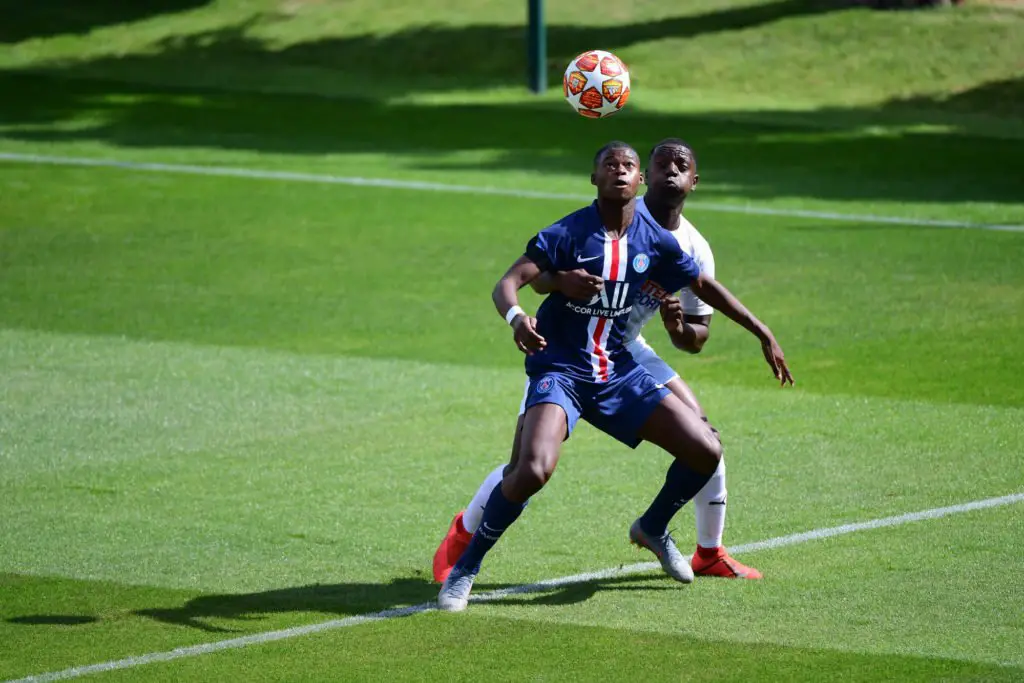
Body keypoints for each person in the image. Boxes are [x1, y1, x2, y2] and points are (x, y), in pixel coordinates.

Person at [437, 141, 793, 612]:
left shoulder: (658, 241)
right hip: (561, 368)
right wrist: (519, 318)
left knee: (706, 449)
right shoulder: (569, 231)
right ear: (595, 178)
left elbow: (703, 287)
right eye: (610, 165)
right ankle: (465, 569)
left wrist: (762, 331)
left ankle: (654, 526)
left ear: (637, 179)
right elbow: (510, 282)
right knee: (533, 468)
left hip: (617, 371)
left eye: (628, 166)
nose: (620, 172)